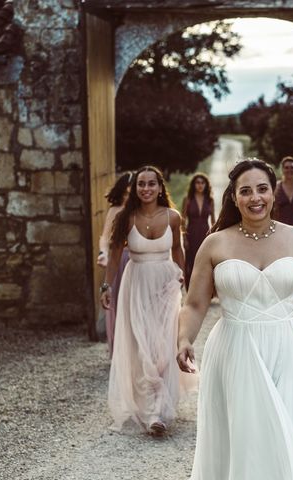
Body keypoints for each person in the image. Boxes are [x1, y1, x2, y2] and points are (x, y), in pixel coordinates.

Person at [177, 158, 293, 480]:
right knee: (251, 436)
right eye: (246, 191)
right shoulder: (215, 243)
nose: (255, 198)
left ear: (273, 191)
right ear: (234, 197)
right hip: (236, 348)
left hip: (291, 346)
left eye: (262, 189)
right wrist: (184, 339)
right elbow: (195, 304)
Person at [100, 165, 194, 436]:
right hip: (136, 283)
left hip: (165, 284)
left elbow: (178, 249)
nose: (146, 189)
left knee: (163, 345)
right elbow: (115, 253)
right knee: (142, 344)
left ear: (160, 187)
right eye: (141, 184)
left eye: (151, 184)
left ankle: (159, 411)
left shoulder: (173, 217)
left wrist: (183, 282)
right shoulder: (125, 218)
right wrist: (106, 286)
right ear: (135, 188)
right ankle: (151, 408)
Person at [97, 170, 133, 355]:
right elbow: (104, 237)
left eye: (130, 193)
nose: (127, 197)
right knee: (117, 304)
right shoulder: (115, 210)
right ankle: (118, 350)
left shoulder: (140, 211)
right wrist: (103, 253)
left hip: (136, 261)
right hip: (117, 261)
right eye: (125, 193)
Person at [181, 173, 215, 289]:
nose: (200, 185)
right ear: (193, 185)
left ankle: (205, 289)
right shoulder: (188, 199)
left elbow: (214, 221)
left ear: (206, 185)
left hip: (205, 234)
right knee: (191, 261)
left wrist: (214, 237)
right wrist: (184, 238)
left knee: (205, 262)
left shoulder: (210, 200)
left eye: (202, 183)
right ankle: (190, 288)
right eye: (197, 183)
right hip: (191, 234)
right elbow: (182, 220)